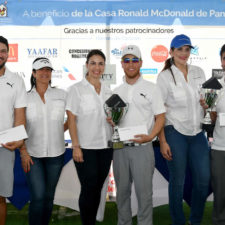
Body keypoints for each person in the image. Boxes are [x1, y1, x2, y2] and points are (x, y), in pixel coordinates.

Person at [157, 34, 210, 225]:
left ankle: (195, 220)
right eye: (179, 49)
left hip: (197, 133)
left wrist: (206, 104)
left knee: (204, 179)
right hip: (174, 131)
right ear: (171, 52)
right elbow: (159, 111)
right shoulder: (164, 76)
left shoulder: (199, 71)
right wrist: (162, 141)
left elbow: (205, 103)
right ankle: (178, 221)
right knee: (177, 181)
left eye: (187, 49)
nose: (184, 53)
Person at [112, 45, 165, 225]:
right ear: (122, 64)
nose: (131, 64)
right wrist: (112, 121)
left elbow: (161, 117)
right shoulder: (115, 91)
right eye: (127, 60)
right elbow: (114, 119)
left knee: (144, 194)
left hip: (143, 147)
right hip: (120, 148)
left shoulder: (152, 88)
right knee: (122, 193)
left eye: (134, 60)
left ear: (141, 63)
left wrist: (151, 136)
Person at [66, 49, 113, 225]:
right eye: (93, 63)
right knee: (88, 189)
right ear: (86, 65)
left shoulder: (108, 92)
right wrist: (76, 146)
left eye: (100, 63)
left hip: (106, 148)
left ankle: (91, 221)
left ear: (104, 67)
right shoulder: (76, 90)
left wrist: (113, 121)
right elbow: (71, 120)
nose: (97, 67)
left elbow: (112, 119)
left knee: (98, 188)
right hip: (85, 148)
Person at [19, 57, 67, 225]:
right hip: (33, 155)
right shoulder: (24, 97)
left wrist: (60, 130)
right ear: (33, 73)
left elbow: (74, 117)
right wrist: (23, 152)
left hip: (56, 154)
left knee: (48, 197)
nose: (45, 73)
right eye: (41, 69)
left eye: (48, 69)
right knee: (38, 197)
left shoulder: (62, 94)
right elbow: (18, 126)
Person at [0, 36, 27, 225]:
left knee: (0, 198)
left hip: (4, 147)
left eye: (2, 51)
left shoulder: (16, 80)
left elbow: (19, 115)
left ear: (8, 53)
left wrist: (19, 139)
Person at [208, 44, 225, 225]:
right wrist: (208, 111)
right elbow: (210, 120)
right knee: (220, 192)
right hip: (220, 147)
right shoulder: (214, 86)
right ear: (221, 61)